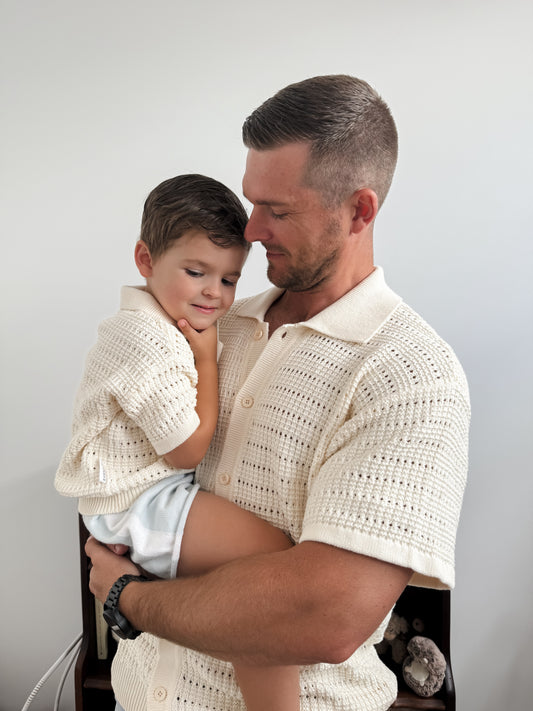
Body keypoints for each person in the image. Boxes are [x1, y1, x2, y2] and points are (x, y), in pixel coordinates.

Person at [86, 75, 470, 711]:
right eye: (251, 202)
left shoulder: (412, 375)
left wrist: (127, 598)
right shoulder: (211, 322)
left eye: (279, 210)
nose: (252, 229)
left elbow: (325, 615)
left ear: (360, 211)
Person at [55, 173, 301, 711]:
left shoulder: (167, 322)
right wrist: (207, 361)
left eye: (231, 279)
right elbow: (187, 448)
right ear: (145, 259)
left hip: (147, 496)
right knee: (277, 571)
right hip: (135, 503)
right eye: (196, 272)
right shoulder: (142, 337)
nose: (215, 293)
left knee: (264, 584)